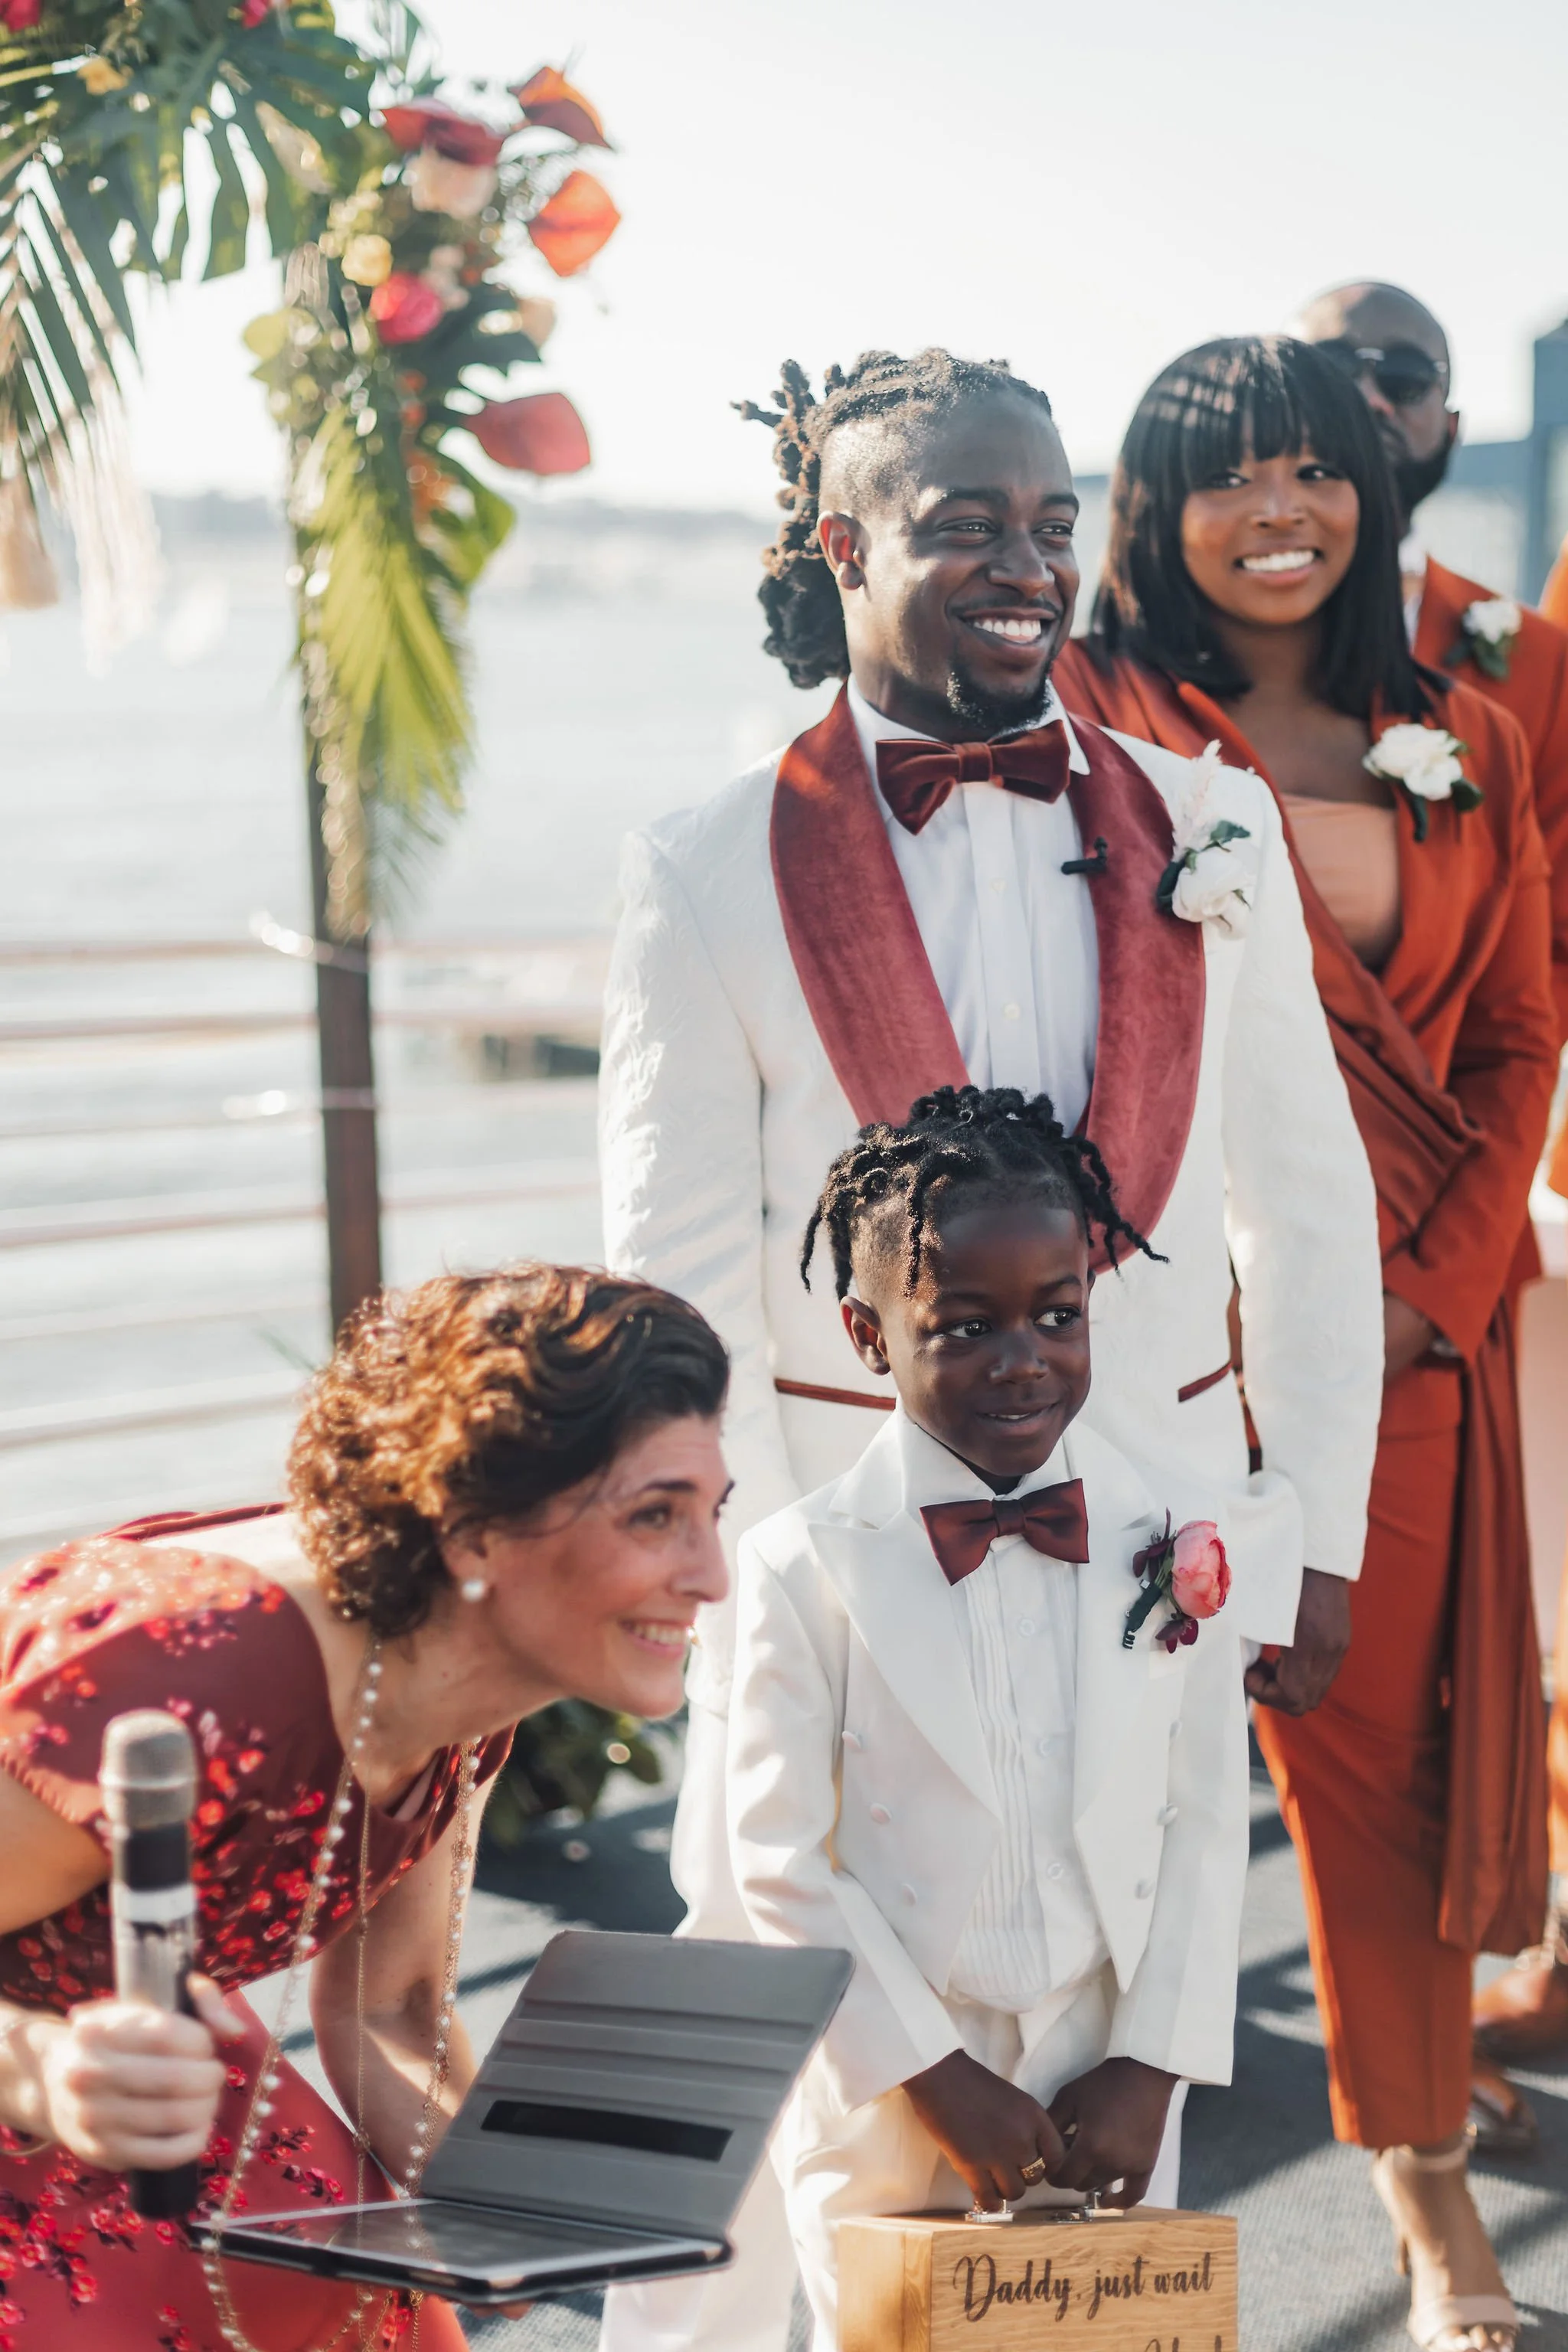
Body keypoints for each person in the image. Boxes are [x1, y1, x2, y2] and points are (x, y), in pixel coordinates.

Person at [598, 345, 1383, 2352]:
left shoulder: (1209, 824)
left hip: (1163, 1554)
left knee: (1122, 2078)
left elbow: (1301, 1210)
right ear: (839, 543)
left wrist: (1313, 1531)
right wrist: (747, 1590)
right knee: (783, 2045)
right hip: (838, 1576)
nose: (1025, 561)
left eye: (1054, 521)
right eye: (963, 523)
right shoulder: (706, 867)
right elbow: (674, 1291)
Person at [1054, 332, 1558, 2352]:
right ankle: (1060, 2258)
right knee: (1109, 1800)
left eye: (1317, 473)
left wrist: (1428, 1302)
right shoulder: (1090, 713)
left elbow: (1522, 1029)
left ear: (1378, 491)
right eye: (1227, 478)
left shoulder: (1472, 733)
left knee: (1402, 1790)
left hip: (1417, 1358)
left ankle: (1429, 2214)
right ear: (1151, 513)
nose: (1278, 514)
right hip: (1154, 1356)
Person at [0, 1264, 730, 2352]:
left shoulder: (467, 1676)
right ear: (477, 1534)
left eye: (715, 1512)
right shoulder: (174, 1684)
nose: (712, 1574)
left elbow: (391, 2007)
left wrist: (505, 2209)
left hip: (152, 2069)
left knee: (354, 2297)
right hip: (45, 2078)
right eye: (656, 1516)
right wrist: (49, 2079)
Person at [726, 1086, 1249, 2350]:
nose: (1024, 1358)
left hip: (1102, 2066)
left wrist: (1155, 2064)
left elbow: (1208, 1816)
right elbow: (778, 1860)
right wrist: (932, 2076)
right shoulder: (802, 1565)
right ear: (865, 1333)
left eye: (1058, 1315)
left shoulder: (1162, 1535)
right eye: (964, 1325)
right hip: (896, 2088)